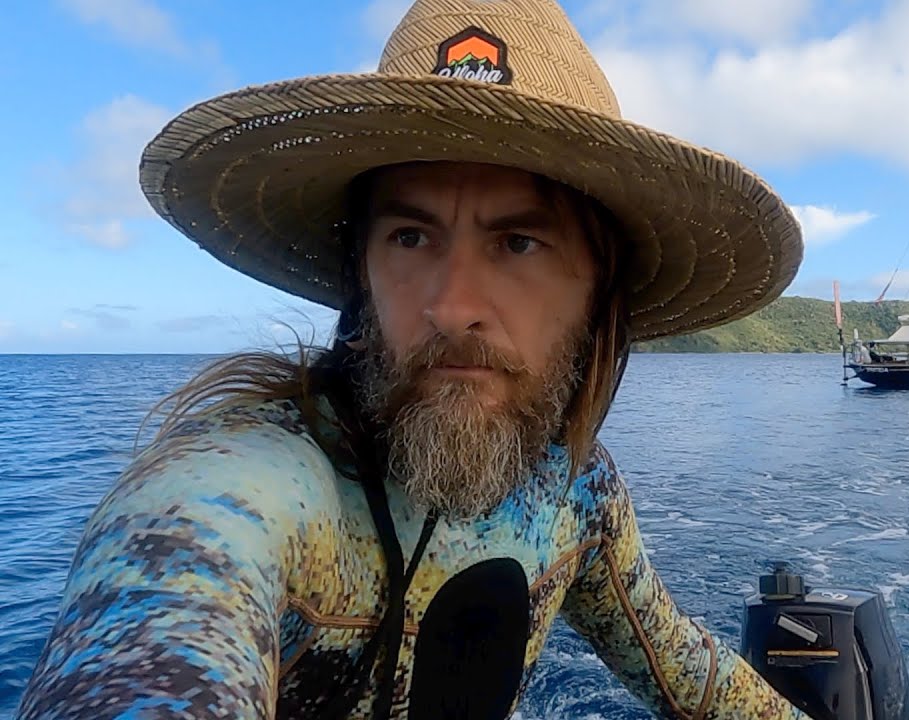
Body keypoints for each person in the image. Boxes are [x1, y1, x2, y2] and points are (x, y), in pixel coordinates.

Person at [16, 1, 808, 719]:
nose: (451, 303)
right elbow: (162, 604)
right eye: (410, 236)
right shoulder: (253, 486)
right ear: (360, 273)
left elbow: (690, 674)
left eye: (518, 241)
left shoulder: (577, 492)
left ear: (599, 297)